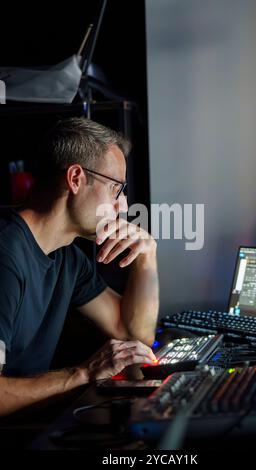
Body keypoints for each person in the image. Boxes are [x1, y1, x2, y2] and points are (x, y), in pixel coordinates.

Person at [0, 117, 159, 417]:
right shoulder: (6, 257)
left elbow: (132, 334)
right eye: (116, 189)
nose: (124, 207)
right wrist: (84, 374)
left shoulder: (68, 258)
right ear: (75, 178)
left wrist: (147, 257)